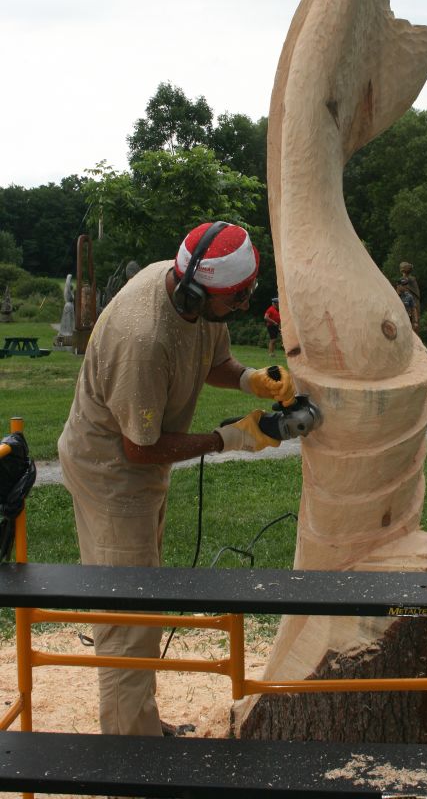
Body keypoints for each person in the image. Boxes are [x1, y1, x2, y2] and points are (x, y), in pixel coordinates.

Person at [58, 221, 297, 738]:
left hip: (137, 464)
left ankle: (138, 722)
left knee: (145, 595)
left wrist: (250, 380)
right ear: (195, 290)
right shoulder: (142, 337)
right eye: (235, 299)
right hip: (111, 473)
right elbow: (139, 449)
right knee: (129, 615)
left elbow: (214, 358)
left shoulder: (196, 295)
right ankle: (131, 758)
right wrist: (230, 438)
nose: (243, 306)